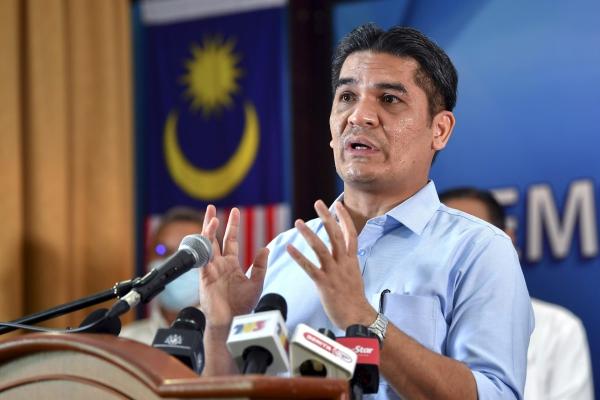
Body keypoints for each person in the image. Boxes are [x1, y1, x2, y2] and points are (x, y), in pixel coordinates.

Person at [198, 24, 534, 399]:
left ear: (439, 129)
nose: (359, 116)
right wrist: (221, 327)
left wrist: (363, 318)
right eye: (346, 97)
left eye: (389, 99)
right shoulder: (283, 254)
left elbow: (495, 394)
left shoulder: (478, 251)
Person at [440, 187, 594, 400]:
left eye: (473, 239)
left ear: (508, 239)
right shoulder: (407, 325)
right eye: (446, 239)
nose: (459, 253)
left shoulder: (558, 328)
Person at [120, 206, 205, 345]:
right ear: (148, 259)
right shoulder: (123, 343)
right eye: (162, 250)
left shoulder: (228, 342)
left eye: (190, 254)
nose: (175, 264)